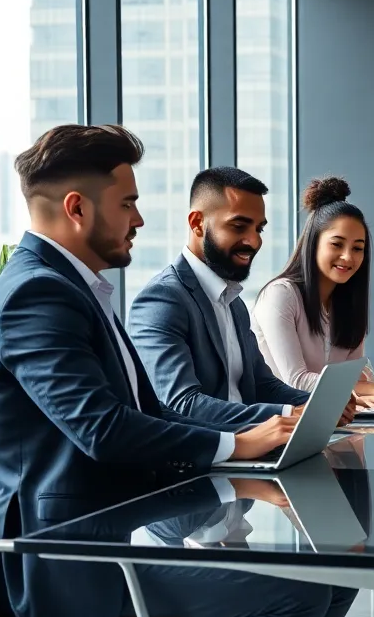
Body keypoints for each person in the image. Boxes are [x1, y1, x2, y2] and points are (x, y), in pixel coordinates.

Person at [0, 124, 356, 617]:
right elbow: (103, 429)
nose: (140, 220)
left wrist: (247, 462)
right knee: (296, 593)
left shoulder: (74, 290)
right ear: (77, 208)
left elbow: (147, 413)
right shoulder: (35, 295)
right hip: (68, 558)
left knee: (339, 577)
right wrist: (237, 447)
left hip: (118, 521)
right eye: (128, 203)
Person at [128, 166, 355, 432]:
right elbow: (182, 404)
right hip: (205, 461)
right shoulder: (162, 300)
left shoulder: (232, 301)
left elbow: (261, 384)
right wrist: (289, 414)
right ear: (197, 223)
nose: (253, 241)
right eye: (239, 226)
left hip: (252, 448)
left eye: (259, 229)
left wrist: (321, 404)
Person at [252, 176, 374, 409]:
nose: (348, 257)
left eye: (358, 248)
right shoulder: (280, 295)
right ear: (313, 243)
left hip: (334, 421)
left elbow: (353, 376)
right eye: (337, 244)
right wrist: (368, 392)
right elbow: (296, 381)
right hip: (283, 426)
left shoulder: (347, 303)